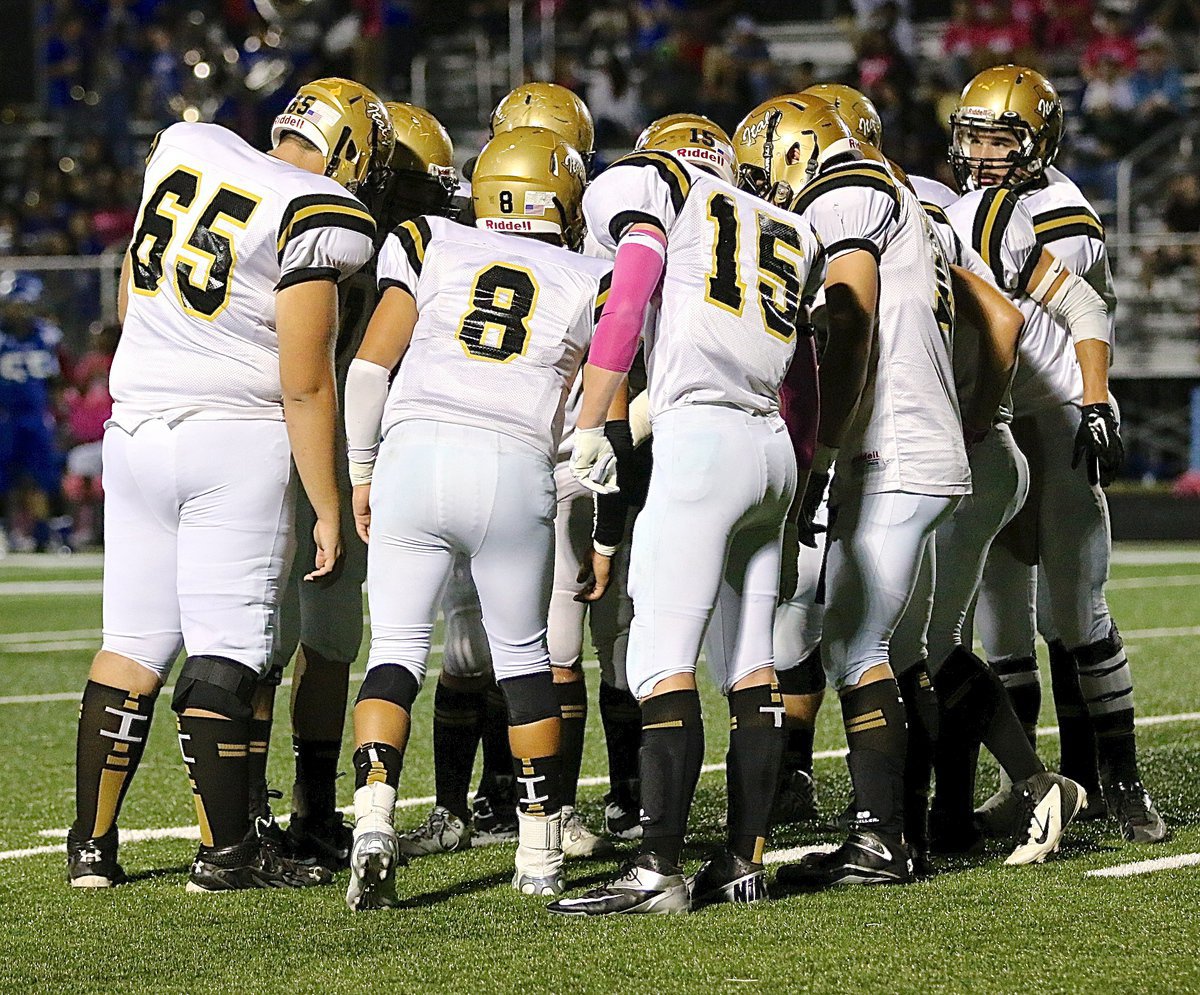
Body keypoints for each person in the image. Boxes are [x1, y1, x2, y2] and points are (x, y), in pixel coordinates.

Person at [66, 77, 388, 891]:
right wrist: (325, 502)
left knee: (132, 644)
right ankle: (228, 852)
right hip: (231, 433)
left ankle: (91, 849)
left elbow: (132, 293)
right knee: (229, 649)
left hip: (135, 425)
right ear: (349, 152)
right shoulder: (320, 208)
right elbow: (306, 379)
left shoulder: (189, 144)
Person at [549, 116, 824, 915]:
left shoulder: (656, 187)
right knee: (751, 664)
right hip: (772, 445)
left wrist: (594, 416)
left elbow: (631, 290)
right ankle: (744, 861)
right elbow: (805, 374)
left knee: (659, 659)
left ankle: (657, 870)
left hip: (702, 441)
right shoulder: (790, 226)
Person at [342, 126, 611, 910]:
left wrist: (362, 471)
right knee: (524, 661)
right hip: (512, 462)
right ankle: (537, 852)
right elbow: (602, 416)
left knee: (393, 652)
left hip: (414, 449)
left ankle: (373, 821)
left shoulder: (429, 238)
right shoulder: (592, 276)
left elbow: (366, 371)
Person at [737, 96, 968, 888]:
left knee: (853, 644)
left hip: (892, 444)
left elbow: (854, 319)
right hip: (914, 437)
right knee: (890, 649)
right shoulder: (898, 194)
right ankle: (917, 826)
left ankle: (883, 840)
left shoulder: (847, 189)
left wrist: (824, 448)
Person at [947, 65, 1167, 845]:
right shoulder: (974, 208)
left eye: (1001, 139)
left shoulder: (1060, 216)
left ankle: (1124, 781)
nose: (983, 153)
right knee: (1006, 621)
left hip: (1057, 416)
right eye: (973, 136)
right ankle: (1029, 784)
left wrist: (1096, 399)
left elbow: (1080, 307)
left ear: (1038, 143)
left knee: (1075, 610)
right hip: (1003, 420)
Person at [251, 102, 460, 875]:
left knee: (321, 637)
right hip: (315, 437)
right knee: (279, 635)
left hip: (334, 440)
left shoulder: (378, 235)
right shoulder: (339, 227)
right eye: (409, 186)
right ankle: (269, 810)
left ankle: (304, 807)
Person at [0, 273, 71, 555]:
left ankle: (55, 535)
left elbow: (58, 380)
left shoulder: (47, 335)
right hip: (6, 416)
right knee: (4, 478)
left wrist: (61, 416)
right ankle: (5, 532)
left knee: (46, 477)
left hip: (38, 417)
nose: (16, 311)